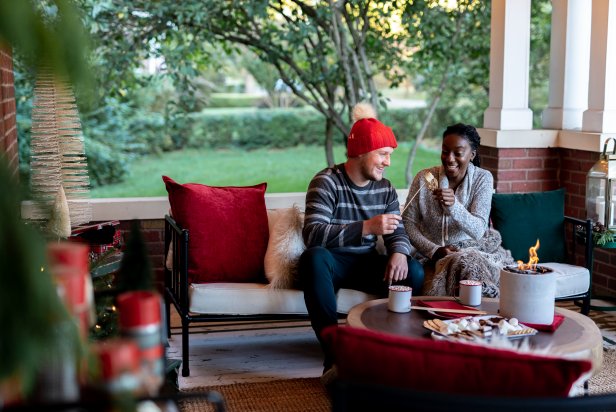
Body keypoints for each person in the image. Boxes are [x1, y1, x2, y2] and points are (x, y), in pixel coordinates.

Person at [299, 103, 424, 376]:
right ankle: (334, 355)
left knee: (413, 270)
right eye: (383, 154)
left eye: (389, 155)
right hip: (333, 262)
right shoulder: (326, 182)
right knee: (314, 258)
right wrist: (367, 227)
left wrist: (399, 253)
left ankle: (389, 348)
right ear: (362, 152)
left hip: (366, 263)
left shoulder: (385, 188)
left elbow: (397, 230)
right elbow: (313, 234)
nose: (388, 162)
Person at [402, 123, 513, 298]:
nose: (449, 158)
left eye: (458, 153)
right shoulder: (424, 179)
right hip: (431, 257)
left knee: (469, 264)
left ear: (472, 155)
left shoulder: (482, 179)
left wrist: (454, 206)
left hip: (472, 253)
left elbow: (479, 230)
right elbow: (407, 223)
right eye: (445, 151)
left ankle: (481, 317)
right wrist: (434, 250)